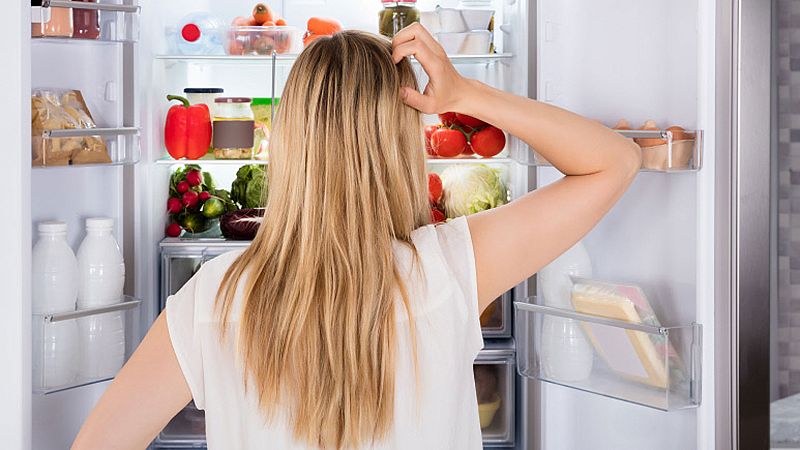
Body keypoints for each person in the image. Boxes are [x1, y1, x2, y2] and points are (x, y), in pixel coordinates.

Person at [72, 25, 640, 450]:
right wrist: (465, 94)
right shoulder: (450, 267)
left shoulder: (211, 298)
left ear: (292, 139)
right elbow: (614, 161)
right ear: (399, 142)